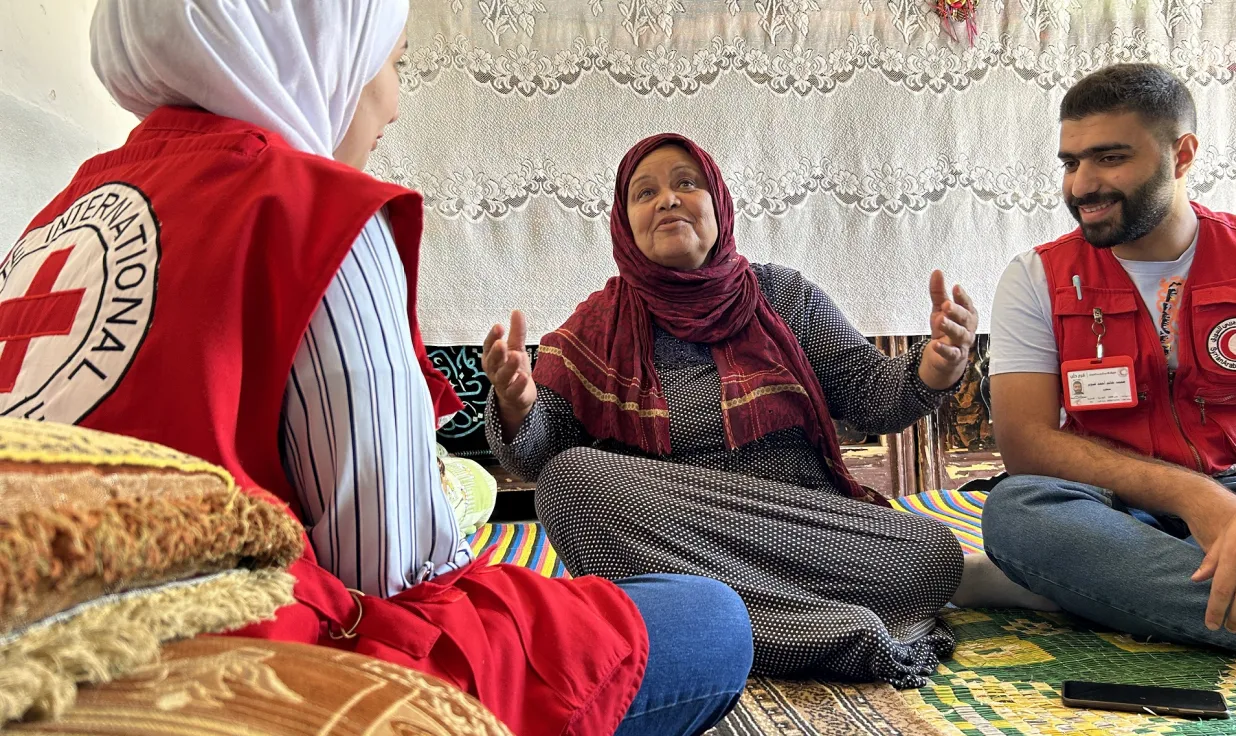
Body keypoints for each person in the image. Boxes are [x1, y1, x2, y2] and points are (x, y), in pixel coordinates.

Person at [2, 2, 753, 734]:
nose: (392, 104)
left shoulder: (60, 216)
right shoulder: (313, 214)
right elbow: (396, 572)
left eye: (686, 186)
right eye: (391, 65)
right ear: (320, 53)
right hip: (257, 646)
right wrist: (516, 410)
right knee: (708, 616)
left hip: (83, 611)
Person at [482, 133, 1045, 687]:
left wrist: (934, 369)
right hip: (677, 531)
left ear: (719, 204)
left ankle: (729, 622)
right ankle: (829, 628)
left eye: (686, 184)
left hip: (805, 523)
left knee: (932, 553)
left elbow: (869, 391)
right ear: (623, 224)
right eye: (644, 193)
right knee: (568, 483)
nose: (668, 200)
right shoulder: (595, 327)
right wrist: (517, 406)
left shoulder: (782, 297)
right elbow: (537, 455)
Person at [985, 62, 1236, 658]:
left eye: (1110, 158)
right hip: (1126, 512)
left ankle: (1101, 591)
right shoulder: (1034, 277)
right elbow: (1025, 443)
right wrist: (1197, 499)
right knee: (1019, 512)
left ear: (1184, 153)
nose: (1082, 185)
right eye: (1071, 163)